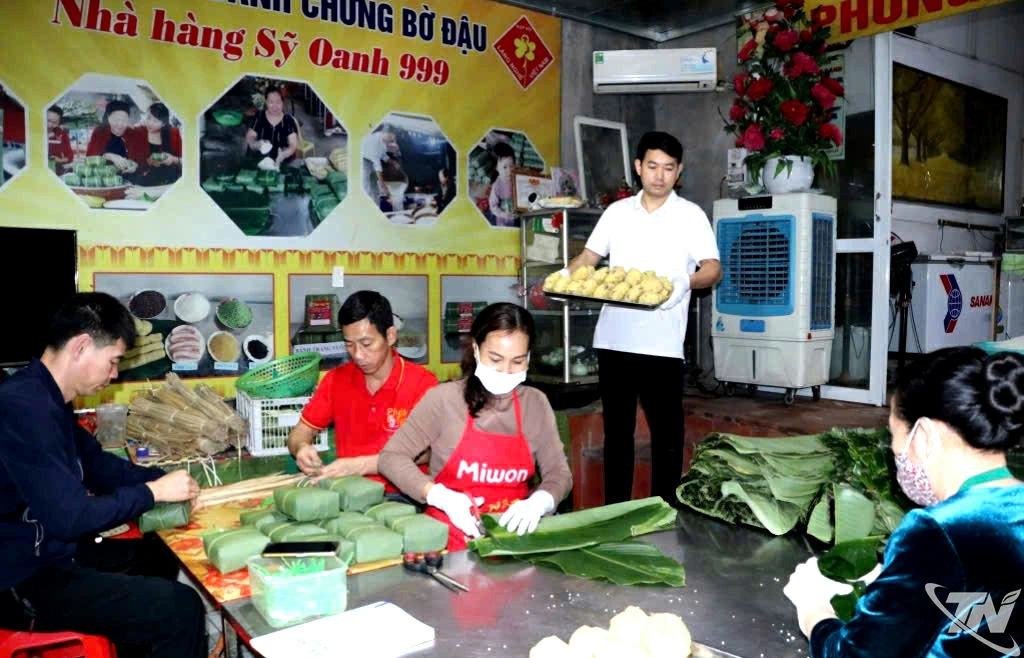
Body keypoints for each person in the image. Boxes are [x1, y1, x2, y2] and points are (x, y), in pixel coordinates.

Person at [0, 292, 206, 658]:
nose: (114, 375)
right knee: (180, 607)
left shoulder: (48, 400)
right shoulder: (22, 407)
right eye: (112, 362)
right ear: (81, 346)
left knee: (157, 552)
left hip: (53, 555)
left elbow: (99, 467)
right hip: (21, 579)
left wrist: (167, 479)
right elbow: (71, 517)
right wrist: (153, 493)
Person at [784, 346, 1024, 657]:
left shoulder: (935, 532)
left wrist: (813, 611)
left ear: (923, 435)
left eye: (893, 435)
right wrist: (893, 580)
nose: (895, 450)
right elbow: (983, 600)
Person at [563, 131, 721, 505]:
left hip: (662, 344)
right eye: (652, 166)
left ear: (678, 172)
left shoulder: (690, 215)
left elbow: (712, 269)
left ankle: (664, 510)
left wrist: (686, 281)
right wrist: (561, 280)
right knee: (618, 434)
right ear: (638, 167)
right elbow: (588, 258)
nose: (659, 176)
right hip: (614, 340)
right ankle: (616, 513)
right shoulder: (617, 213)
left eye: (668, 168)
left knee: (667, 436)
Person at [379, 303, 572, 551]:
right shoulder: (444, 399)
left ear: (529, 358)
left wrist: (540, 502)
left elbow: (559, 473)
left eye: (517, 361)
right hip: (450, 544)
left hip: (514, 539)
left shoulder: (535, 403)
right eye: (495, 359)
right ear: (476, 349)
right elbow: (391, 457)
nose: (505, 371)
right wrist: (441, 497)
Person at [288, 291, 438, 493]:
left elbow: (432, 451)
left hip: (404, 495)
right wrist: (301, 448)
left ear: (391, 336)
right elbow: (300, 432)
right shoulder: (336, 380)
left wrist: (362, 465)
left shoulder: (422, 384)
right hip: (350, 493)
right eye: (349, 344)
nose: (358, 355)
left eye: (367, 344)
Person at [86, 99, 148, 178]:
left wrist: (136, 166)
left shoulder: (134, 134)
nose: (120, 124)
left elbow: (143, 163)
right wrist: (108, 156)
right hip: (104, 180)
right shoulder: (99, 132)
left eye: (124, 120)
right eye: (116, 120)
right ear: (108, 117)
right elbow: (89, 159)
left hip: (130, 182)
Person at [244, 86, 299, 167]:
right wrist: (255, 144)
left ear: (283, 102)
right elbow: (249, 137)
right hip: (259, 161)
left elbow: (293, 144)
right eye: (271, 102)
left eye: (278, 102)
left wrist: (284, 154)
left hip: (281, 162)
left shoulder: (288, 120)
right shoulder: (259, 116)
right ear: (266, 102)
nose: (275, 106)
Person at [131, 102, 182, 187]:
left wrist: (174, 159)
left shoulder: (174, 133)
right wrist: (147, 161)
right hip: (144, 183)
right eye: (148, 118)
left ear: (163, 123)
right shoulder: (138, 132)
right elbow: (131, 159)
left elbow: (185, 160)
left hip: (169, 183)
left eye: (155, 121)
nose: (150, 123)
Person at [361, 125, 403, 204]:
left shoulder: (384, 140)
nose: (391, 139)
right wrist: (384, 187)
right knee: (366, 186)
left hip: (372, 160)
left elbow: (383, 155)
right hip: (363, 159)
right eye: (390, 136)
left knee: (374, 187)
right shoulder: (375, 141)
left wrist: (393, 162)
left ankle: (376, 207)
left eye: (393, 138)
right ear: (384, 132)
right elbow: (378, 166)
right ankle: (366, 207)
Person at [487, 141, 517, 227]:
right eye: (504, 167)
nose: (509, 171)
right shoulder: (497, 185)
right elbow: (493, 206)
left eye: (511, 166)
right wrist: (503, 214)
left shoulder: (516, 178)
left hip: (515, 213)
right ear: (497, 167)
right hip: (503, 217)